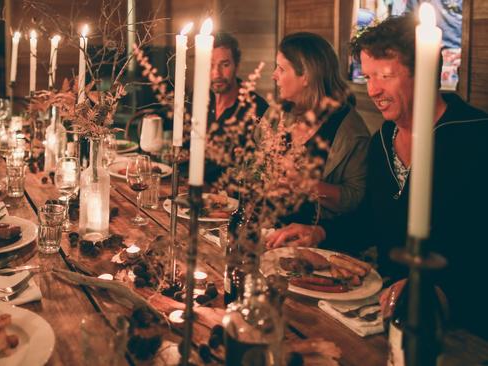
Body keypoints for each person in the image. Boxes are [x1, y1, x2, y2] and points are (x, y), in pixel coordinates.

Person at [266, 14, 488, 338]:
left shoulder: (474, 138)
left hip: (463, 329)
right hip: (384, 315)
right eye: (367, 76)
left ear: (424, 73)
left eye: (384, 75)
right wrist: (319, 233)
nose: (373, 90)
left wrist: (441, 289)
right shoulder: (383, 141)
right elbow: (370, 221)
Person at [271, 32, 370, 226]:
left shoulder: (349, 132)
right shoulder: (278, 114)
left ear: (306, 76)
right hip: (267, 230)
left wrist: (306, 184)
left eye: (281, 68)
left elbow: (355, 199)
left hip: (314, 240)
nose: (274, 75)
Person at [203, 32, 269, 187]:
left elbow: (260, 171)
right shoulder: (199, 98)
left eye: (225, 65)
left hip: (231, 198)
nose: (216, 74)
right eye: (210, 65)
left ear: (237, 66)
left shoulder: (257, 109)